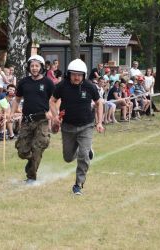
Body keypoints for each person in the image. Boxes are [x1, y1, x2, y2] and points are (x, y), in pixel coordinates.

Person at [50, 59, 104, 195]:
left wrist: (99, 122)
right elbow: (52, 100)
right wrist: (56, 116)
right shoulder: (62, 85)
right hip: (68, 126)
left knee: (84, 155)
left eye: (79, 75)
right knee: (68, 157)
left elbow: (99, 103)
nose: (76, 77)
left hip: (86, 125)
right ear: (69, 74)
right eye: (74, 74)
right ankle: (84, 150)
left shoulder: (90, 86)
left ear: (84, 75)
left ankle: (78, 184)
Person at [10, 55, 55, 183]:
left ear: (41, 67)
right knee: (22, 151)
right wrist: (11, 114)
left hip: (42, 120)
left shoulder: (48, 82)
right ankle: (30, 161)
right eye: (32, 66)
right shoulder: (24, 82)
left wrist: (53, 114)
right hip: (26, 120)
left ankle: (31, 177)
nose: (34, 68)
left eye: (37, 66)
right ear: (29, 67)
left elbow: (55, 100)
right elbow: (17, 99)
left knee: (38, 146)